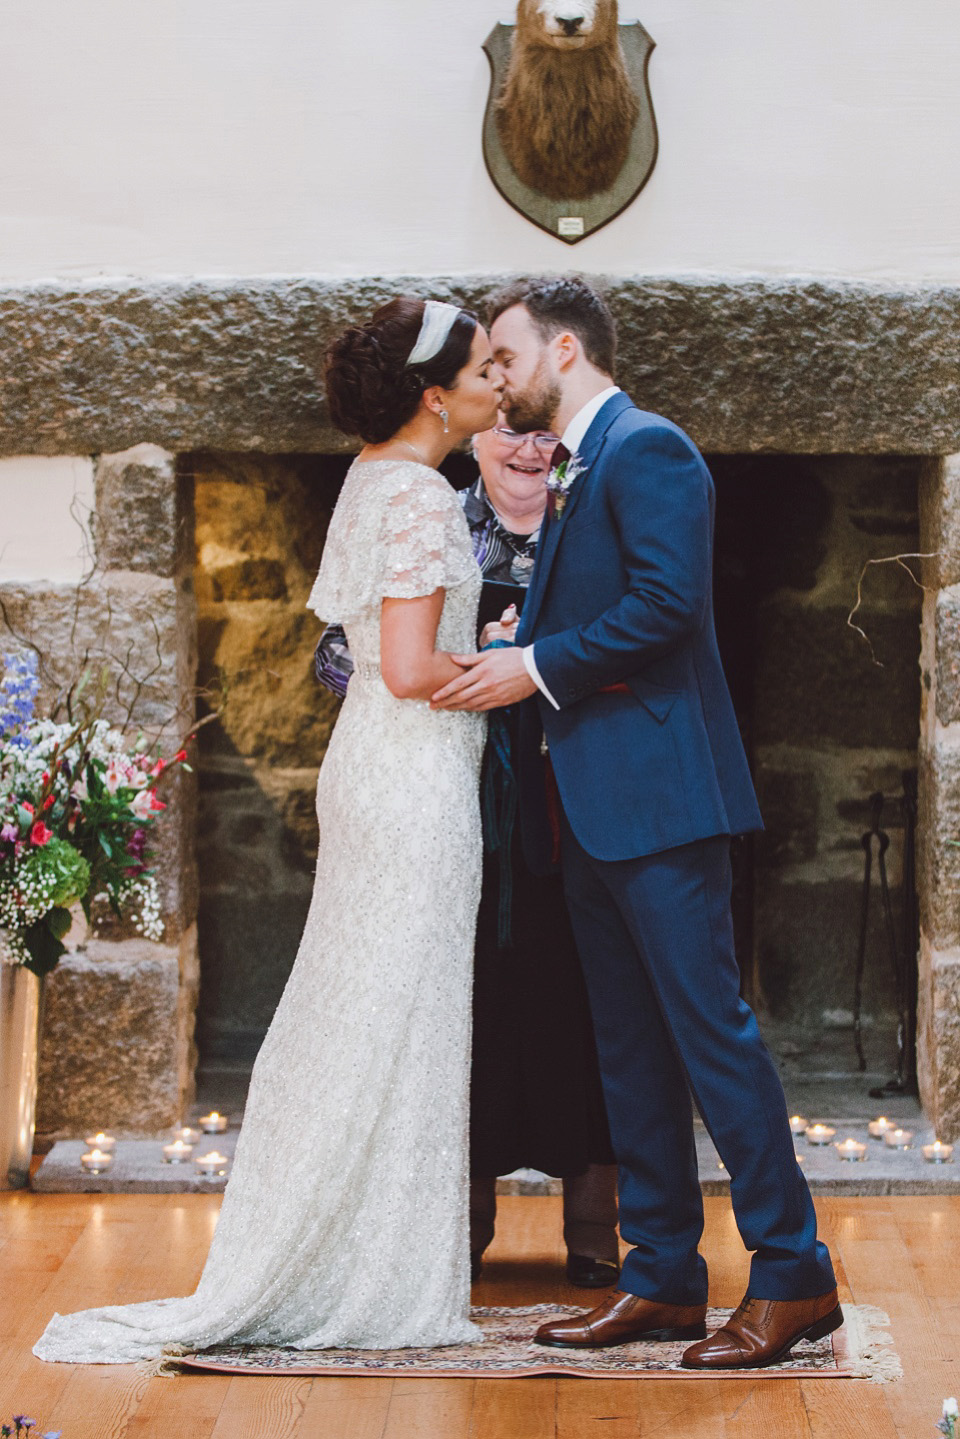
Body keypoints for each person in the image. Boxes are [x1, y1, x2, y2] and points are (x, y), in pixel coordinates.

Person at [34, 296, 504, 1364]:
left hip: (373, 769)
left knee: (363, 1007)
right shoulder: (425, 497)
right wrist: (521, 669)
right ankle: (377, 1279)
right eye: (482, 366)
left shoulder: (373, 477)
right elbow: (411, 668)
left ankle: (342, 1255)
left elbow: (385, 647)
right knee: (404, 1010)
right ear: (438, 394)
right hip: (416, 777)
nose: (498, 379)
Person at [430, 277, 842, 1370]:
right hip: (594, 807)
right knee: (631, 1047)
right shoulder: (578, 462)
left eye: (509, 356)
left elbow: (668, 605)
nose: (500, 377)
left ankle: (795, 1274)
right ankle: (660, 1274)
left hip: (661, 799)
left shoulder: (649, 447)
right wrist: (535, 632)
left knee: (713, 1036)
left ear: (565, 350)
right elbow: (610, 609)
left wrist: (536, 663)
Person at [315, 417, 620, 1289]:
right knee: (468, 994)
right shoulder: (431, 515)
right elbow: (341, 654)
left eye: (545, 436)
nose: (527, 450)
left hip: (575, 795)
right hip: (452, 792)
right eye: (509, 433)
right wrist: (459, 666)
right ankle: (462, 1223)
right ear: (475, 437)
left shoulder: (596, 518)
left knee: (586, 995)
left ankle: (596, 1227)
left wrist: (542, 660)